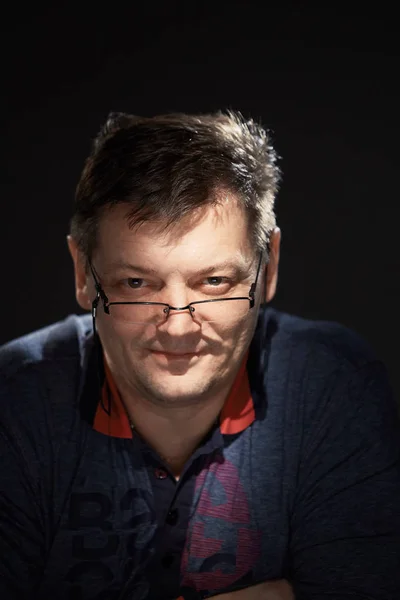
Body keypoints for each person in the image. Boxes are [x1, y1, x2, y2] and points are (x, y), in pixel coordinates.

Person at [0, 110, 399, 600]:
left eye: (215, 282)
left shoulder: (333, 384)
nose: (180, 325)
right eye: (136, 283)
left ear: (267, 269)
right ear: (84, 274)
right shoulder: (14, 401)